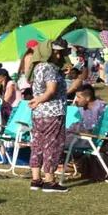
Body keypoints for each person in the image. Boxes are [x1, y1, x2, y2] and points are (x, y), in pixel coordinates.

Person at [28, 38, 69, 193]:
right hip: (53, 112)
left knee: (37, 144)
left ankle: (36, 179)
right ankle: (50, 181)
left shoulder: (37, 67)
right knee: (52, 145)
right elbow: (51, 91)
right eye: (56, 53)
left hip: (38, 114)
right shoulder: (50, 69)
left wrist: (37, 101)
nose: (59, 56)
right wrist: (39, 100)